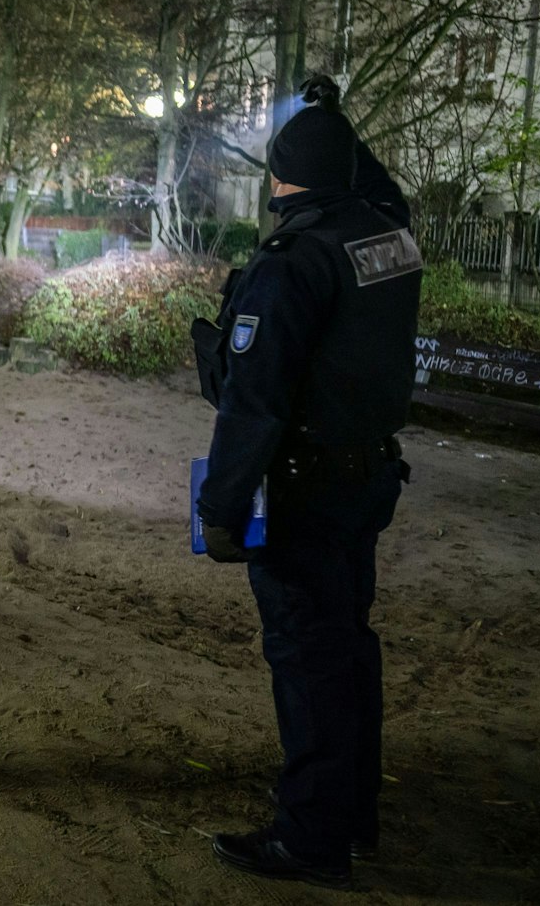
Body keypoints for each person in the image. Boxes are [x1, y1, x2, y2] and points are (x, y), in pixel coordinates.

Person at [196, 76, 423, 890]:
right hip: (366, 478)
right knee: (347, 646)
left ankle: (311, 837)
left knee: (308, 657)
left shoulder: (291, 263)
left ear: (279, 177)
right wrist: (335, 119)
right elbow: (381, 189)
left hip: (305, 489)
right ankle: (350, 816)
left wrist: (220, 508)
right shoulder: (386, 236)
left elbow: (253, 403)